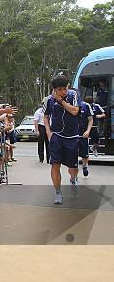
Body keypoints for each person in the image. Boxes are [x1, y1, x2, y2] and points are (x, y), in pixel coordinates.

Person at [43, 74, 80, 205]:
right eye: (60, 89)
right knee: (55, 164)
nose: (63, 91)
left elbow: (75, 111)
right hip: (56, 136)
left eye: (65, 88)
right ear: (54, 89)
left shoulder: (73, 95)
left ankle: (73, 179)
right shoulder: (48, 100)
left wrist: (61, 101)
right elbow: (46, 116)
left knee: (72, 168)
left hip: (72, 136)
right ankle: (58, 192)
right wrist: (48, 132)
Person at [78, 97, 94, 177]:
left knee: (84, 155)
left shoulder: (85, 105)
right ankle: (73, 176)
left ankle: (84, 166)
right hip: (72, 136)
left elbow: (91, 119)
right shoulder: (67, 105)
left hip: (83, 135)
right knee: (72, 155)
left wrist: (88, 131)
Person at [34, 97, 49, 163]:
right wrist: (37, 130)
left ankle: (49, 158)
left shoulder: (50, 110)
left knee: (49, 143)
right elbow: (36, 121)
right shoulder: (39, 111)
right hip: (41, 127)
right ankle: (41, 158)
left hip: (48, 127)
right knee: (41, 143)